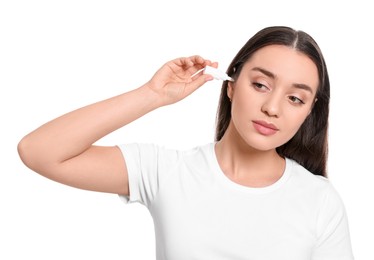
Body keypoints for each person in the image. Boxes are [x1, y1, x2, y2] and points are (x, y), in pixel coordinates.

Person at [17, 26, 354, 259]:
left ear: (309, 112)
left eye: (295, 99)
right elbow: (40, 151)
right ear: (232, 85)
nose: (272, 108)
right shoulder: (167, 172)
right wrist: (152, 95)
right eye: (261, 85)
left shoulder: (319, 200)